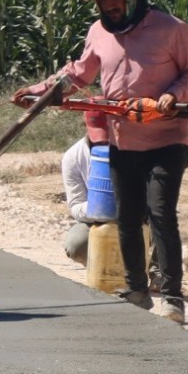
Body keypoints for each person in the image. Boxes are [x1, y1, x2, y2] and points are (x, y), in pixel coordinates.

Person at [13, 0, 188, 323]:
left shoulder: (171, 29)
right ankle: (136, 289)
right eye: (104, 0)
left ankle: (171, 297)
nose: (110, 5)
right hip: (123, 141)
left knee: (162, 214)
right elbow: (77, 74)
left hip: (167, 139)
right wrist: (41, 92)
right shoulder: (99, 32)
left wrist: (172, 95)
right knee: (128, 217)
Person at [60, 109, 110, 265]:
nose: (103, 141)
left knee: (162, 216)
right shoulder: (73, 157)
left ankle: (157, 274)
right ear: (85, 125)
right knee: (76, 244)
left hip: (136, 217)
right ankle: (103, 269)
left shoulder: (136, 148)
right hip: (96, 220)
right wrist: (101, 207)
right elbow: (75, 206)